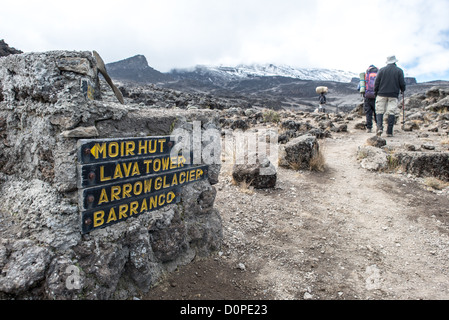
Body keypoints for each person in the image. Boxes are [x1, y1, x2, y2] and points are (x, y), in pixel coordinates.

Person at [374, 55, 406, 137]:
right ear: (395, 61)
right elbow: (402, 83)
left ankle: (379, 127)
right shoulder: (399, 71)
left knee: (379, 111)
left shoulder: (381, 70)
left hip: (381, 94)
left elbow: (376, 82)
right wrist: (402, 90)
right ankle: (389, 132)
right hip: (393, 94)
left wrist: (376, 92)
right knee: (391, 112)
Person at [363, 65, 378, 133]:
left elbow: (360, 86)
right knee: (376, 112)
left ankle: (369, 128)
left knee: (368, 112)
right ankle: (378, 126)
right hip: (376, 96)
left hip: (367, 96)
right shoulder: (378, 74)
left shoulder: (366, 75)